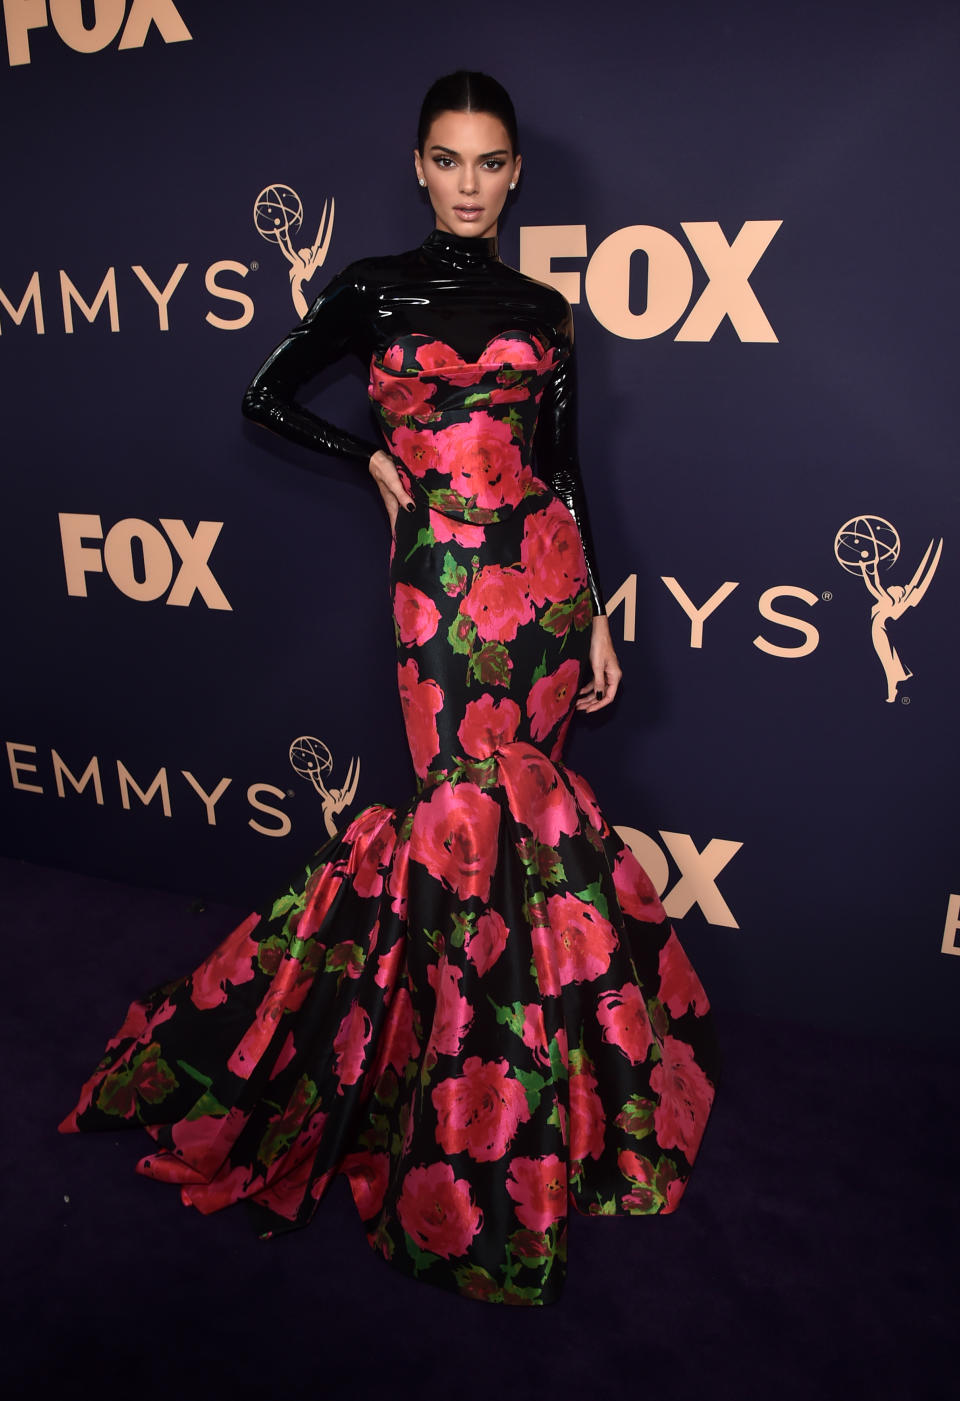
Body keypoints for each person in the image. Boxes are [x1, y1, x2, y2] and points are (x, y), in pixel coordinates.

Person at [61, 71, 716, 1307]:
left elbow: (565, 475)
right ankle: (460, 1102)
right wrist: (366, 457)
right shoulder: (370, 287)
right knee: (462, 815)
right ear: (419, 165)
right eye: (448, 160)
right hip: (440, 592)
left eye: (490, 163)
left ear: (515, 174)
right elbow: (263, 393)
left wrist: (602, 619)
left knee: (533, 823)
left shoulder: (544, 308)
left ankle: (545, 1087)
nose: (469, 183)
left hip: (546, 586)